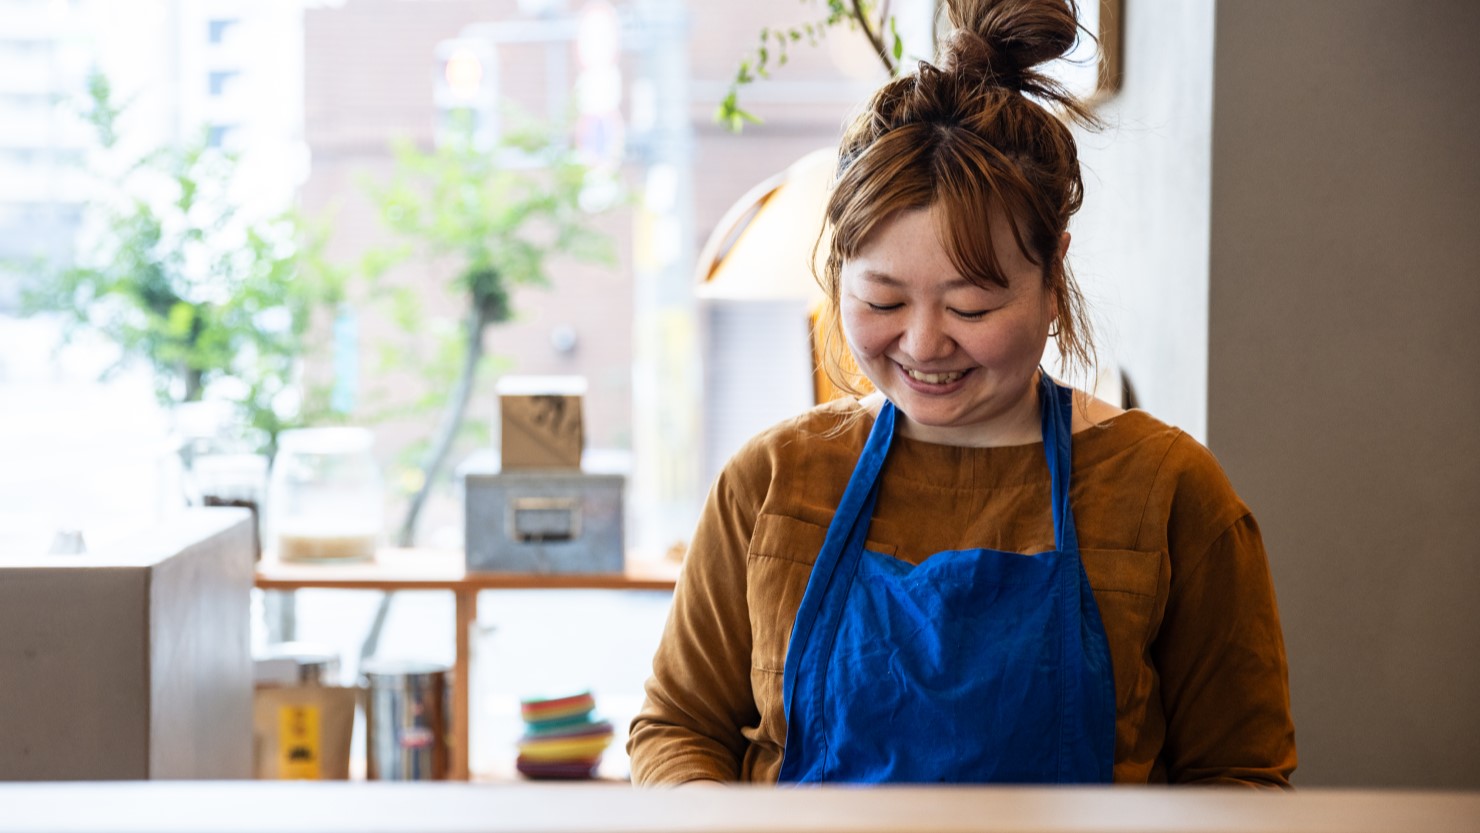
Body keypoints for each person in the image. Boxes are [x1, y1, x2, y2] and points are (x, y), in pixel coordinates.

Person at [628, 0, 1296, 786]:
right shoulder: (771, 481)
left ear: (1053, 275)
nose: (922, 344)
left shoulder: (1171, 492)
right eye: (881, 301)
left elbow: (1242, 775)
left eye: (971, 307)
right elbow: (677, 726)